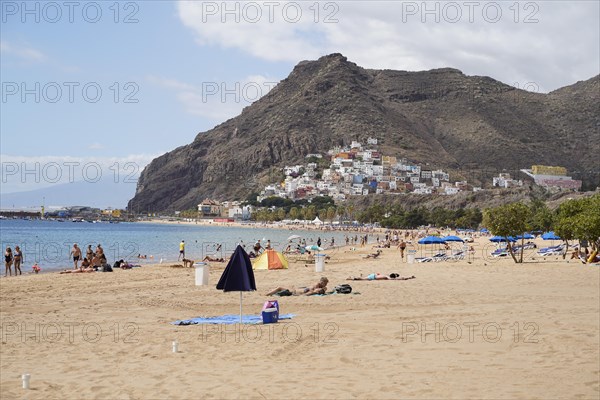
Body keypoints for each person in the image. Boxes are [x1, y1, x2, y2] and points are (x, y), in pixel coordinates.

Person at [347, 273, 416, 281]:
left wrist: (409, 277)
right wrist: (406, 278)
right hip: (373, 277)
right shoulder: (387, 276)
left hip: (374, 275)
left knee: (363, 278)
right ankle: (352, 278)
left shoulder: (386, 274)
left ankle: (353, 277)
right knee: (362, 279)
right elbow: (393, 279)